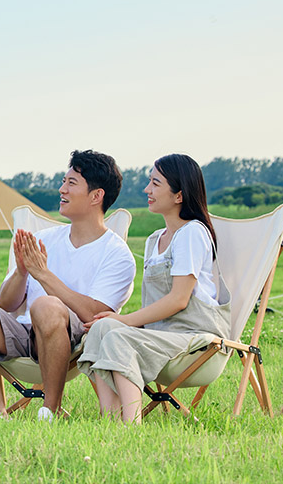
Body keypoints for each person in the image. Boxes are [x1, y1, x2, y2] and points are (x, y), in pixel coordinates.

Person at [0, 150, 136, 421]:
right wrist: (21, 272)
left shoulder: (116, 253)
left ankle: (49, 411)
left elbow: (95, 314)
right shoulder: (44, 238)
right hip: (24, 331)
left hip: (74, 339)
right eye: (64, 181)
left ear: (96, 196)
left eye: (71, 183)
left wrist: (43, 274)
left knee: (47, 306)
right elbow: (6, 305)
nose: (62, 189)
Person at [78, 154, 231, 424]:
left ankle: (131, 423)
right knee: (98, 330)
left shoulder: (192, 233)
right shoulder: (154, 240)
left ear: (179, 195)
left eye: (155, 183)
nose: (147, 190)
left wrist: (124, 321)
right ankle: (110, 416)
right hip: (161, 338)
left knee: (117, 335)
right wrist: (116, 322)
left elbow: (179, 300)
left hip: (197, 340)